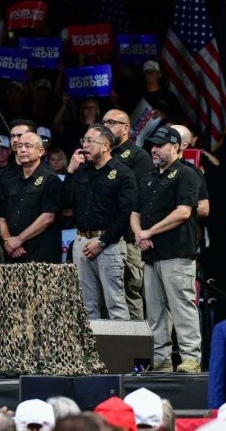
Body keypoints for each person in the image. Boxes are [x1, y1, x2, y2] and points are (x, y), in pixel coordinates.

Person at [130, 126, 202, 373]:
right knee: (155, 310)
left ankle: (191, 357)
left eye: (160, 145)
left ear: (176, 147)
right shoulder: (149, 177)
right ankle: (160, 358)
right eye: (153, 145)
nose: (154, 149)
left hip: (177, 252)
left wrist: (149, 232)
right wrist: (139, 233)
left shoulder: (186, 174)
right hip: (151, 253)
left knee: (182, 307)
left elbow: (183, 212)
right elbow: (135, 212)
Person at [64, 124, 137, 320]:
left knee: (115, 303)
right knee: (86, 305)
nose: (84, 146)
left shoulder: (123, 173)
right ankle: (92, 351)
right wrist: (69, 172)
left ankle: (122, 351)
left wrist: (103, 241)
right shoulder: (81, 171)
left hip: (109, 243)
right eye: (83, 141)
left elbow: (125, 214)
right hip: (81, 241)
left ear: (105, 145)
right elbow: (63, 205)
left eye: (90, 141)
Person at [104, 108, 153, 321]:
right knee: (104, 297)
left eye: (111, 123)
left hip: (127, 238)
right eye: (103, 122)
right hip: (102, 237)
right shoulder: (99, 156)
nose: (105, 127)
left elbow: (139, 199)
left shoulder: (138, 156)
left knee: (129, 293)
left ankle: (136, 351)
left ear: (126, 128)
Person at [0, 132, 62, 263]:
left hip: (40, 254)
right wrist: (7, 241)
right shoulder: (10, 180)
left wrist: (19, 240)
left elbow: (48, 217)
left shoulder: (51, 178)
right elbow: (1, 216)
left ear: (41, 151)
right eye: (19, 146)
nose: (22, 150)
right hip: (11, 253)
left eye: (28, 146)